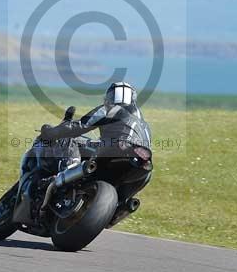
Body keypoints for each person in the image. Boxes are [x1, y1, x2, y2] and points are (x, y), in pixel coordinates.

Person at [40, 81, 153, 224]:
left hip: (115, 149)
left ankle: (64, 174)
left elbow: (79, 126)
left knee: (70, 140)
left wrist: (50, 132)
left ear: (110, 97)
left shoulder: (110, 109)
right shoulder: (145, 125)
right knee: (142, 178)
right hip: (142, 168)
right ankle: (120, 208)